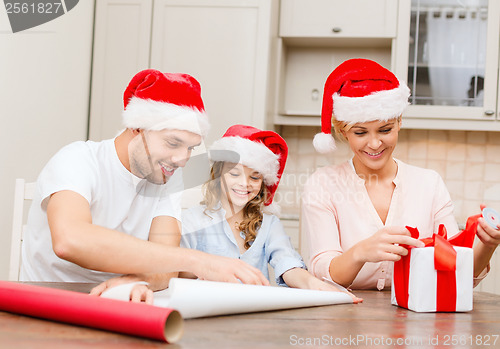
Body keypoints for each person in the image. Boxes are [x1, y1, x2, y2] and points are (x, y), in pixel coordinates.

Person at [20, 69, 268, 288]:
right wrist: (197, 260)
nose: (182, 159)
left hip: (116, 302)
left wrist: (139, 282)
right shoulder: (78, 159)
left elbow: (166, 264)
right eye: (173, 143)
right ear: (136, 129)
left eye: (191, 148)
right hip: (48, 302)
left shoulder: (167, 177)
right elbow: (70, 240)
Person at [92, 125, 361, 303]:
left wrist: (321, 289)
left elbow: (288, 266)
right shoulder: (192, 220)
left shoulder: (270, 225)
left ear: (262, 184)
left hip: (254, 316)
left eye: (254, 178)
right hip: (203, 312)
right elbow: (172, 270)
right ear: (218, 174)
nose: (244, 184)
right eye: (234, 174)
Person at [302, 58, 496, 290]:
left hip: (417, 316)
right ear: (344, 131)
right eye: (360, 132)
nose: (374, 143)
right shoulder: (323, 184)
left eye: (385, 130)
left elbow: (456, 271)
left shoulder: (429, 184)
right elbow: (323, 271)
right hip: (344, 317)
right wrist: (360, 252)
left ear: (399, 122)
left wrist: (488, 245)